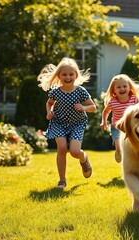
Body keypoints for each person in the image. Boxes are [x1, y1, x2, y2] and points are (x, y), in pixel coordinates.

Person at [37, 57, 96, 189]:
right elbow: (49, 103)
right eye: (64, 74)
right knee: (62, 148)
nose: (68, 77)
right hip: (59, 123)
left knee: (75, 151)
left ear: (76, 75)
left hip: (77, 123)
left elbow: (93, 107)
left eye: (71, 74)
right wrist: (49, 112)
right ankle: (62, 180)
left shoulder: (81, 91)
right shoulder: (56, 92)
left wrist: (84, 107)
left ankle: (84, 158)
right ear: (59, 76)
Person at [100, 74, 139, 163]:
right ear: (114, 90)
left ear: (129, 87)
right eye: (118, 87)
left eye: (124, 86)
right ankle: (118, 151)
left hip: (130, 127)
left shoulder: (134, 99)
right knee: (119, 145)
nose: (122, 89)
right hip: (116, 127)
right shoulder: (112, 102)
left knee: (132, 146)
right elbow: (106, 112)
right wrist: (104, 122)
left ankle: (131, 160)